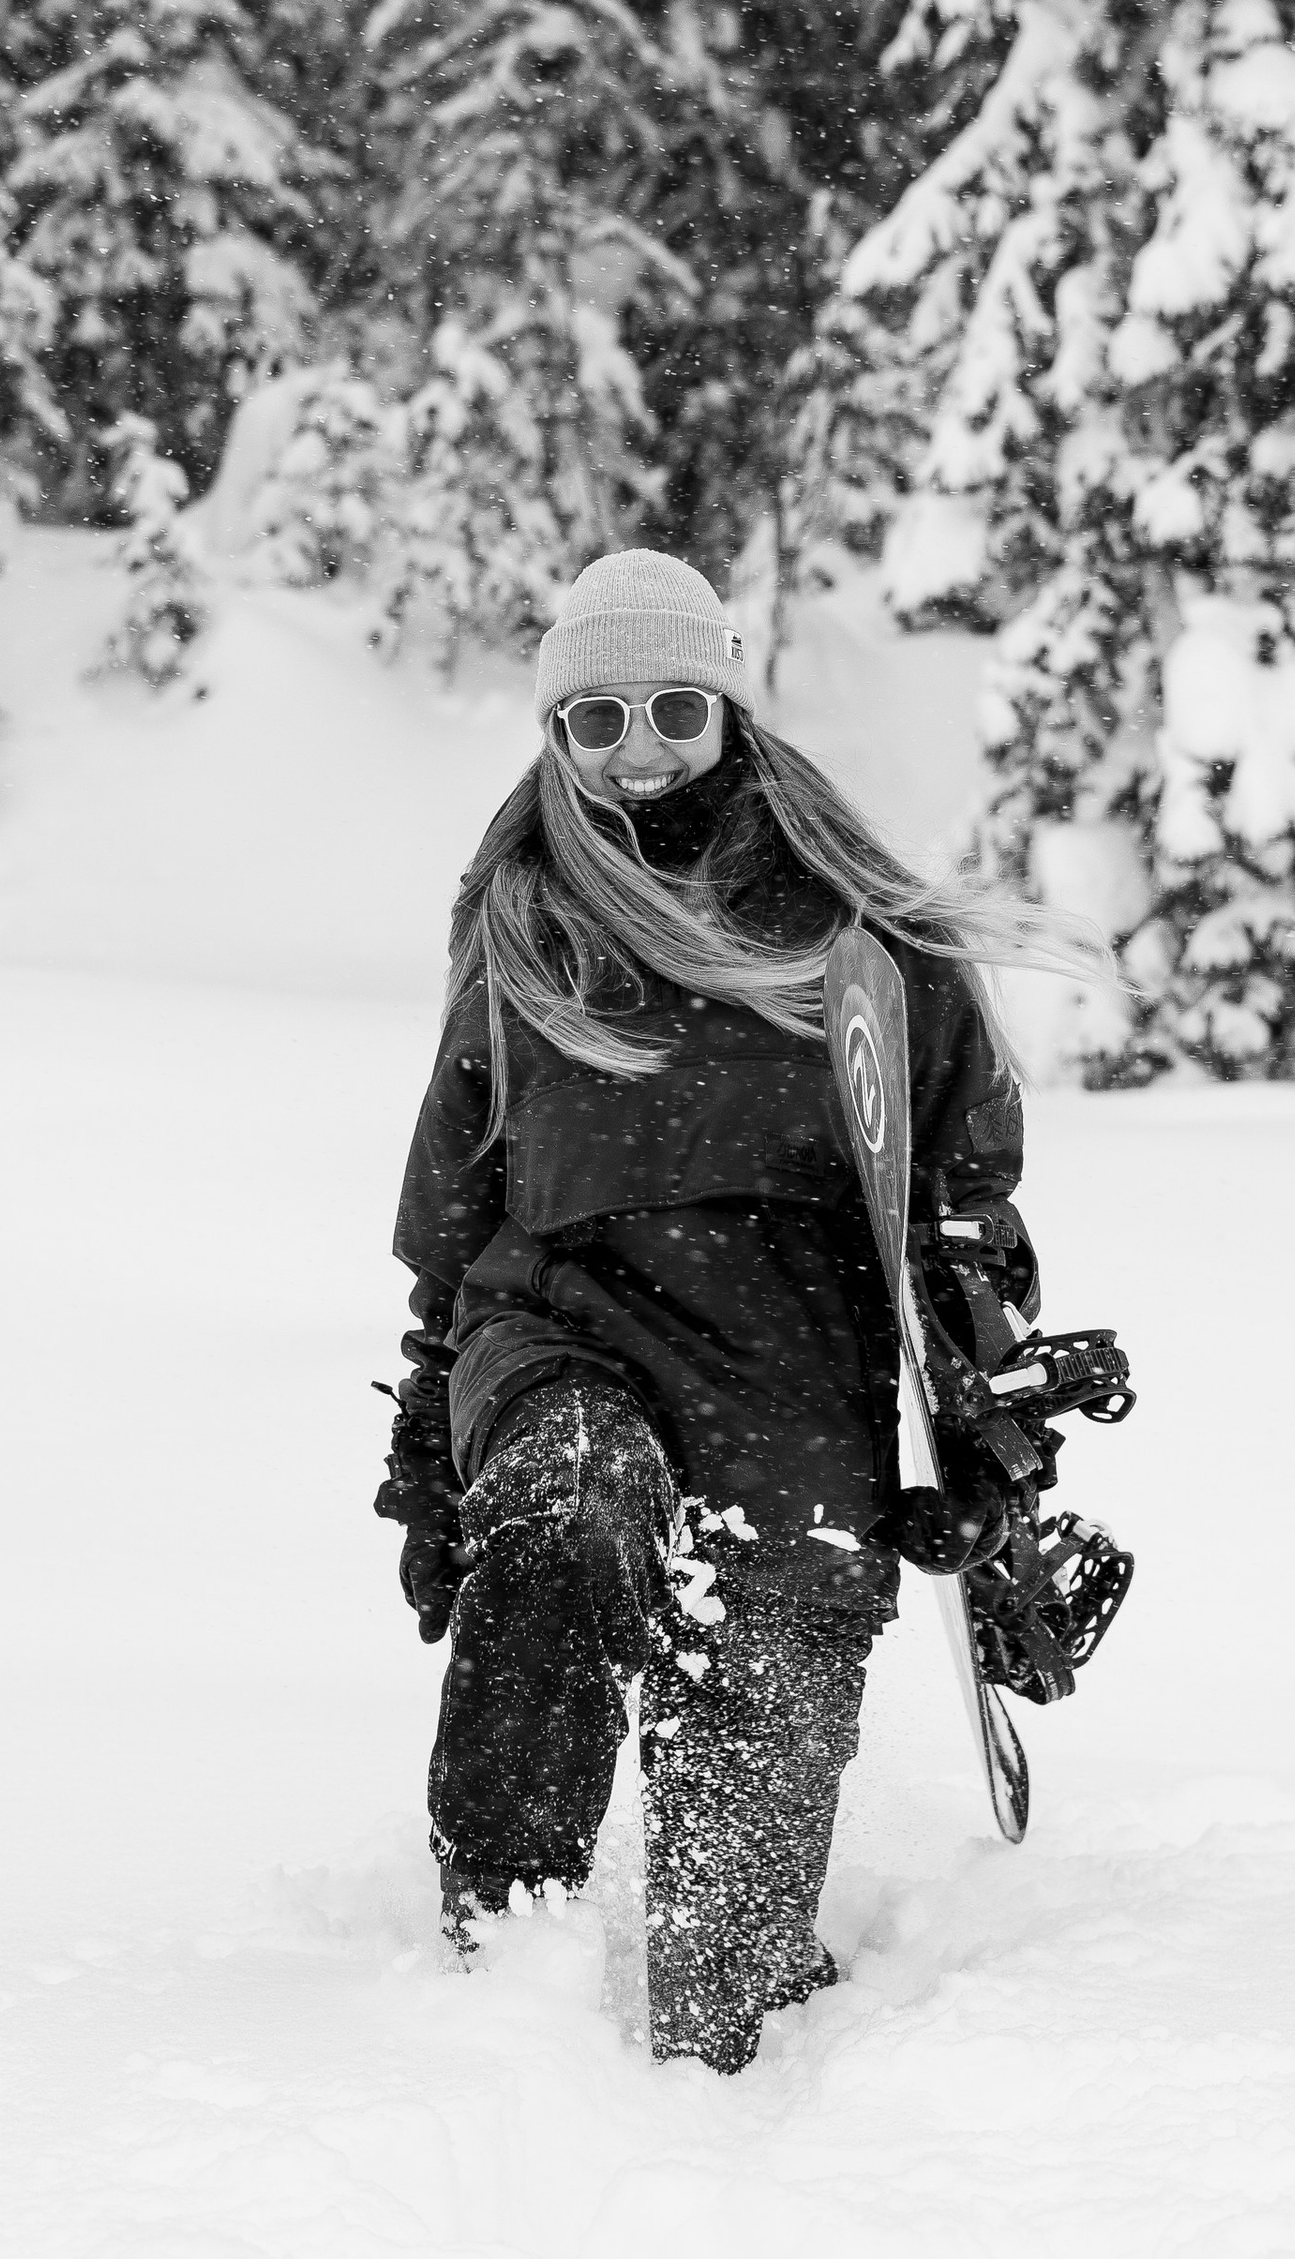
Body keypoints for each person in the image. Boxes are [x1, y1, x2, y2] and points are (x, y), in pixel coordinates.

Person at [376, 545, 1055, 2073]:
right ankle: (499, 1957)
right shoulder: (522, 923)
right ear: (554, 734)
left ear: (728, 704)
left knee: (724, 2005)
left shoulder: (862, 932)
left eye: (674, 709)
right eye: (596, 721)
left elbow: (957, 1192)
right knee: (569, 1514)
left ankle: (728, 2043)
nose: (640, 752)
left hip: (790, 1383)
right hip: (560, 1332)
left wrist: (985, 1414)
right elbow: (454, 1203)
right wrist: (431, 1440)